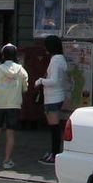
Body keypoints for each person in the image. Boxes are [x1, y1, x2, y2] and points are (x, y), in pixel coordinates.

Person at [0, 43, 28, 169]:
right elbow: (25, 88)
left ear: (3, 55)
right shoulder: (21, 70)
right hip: (14, 105)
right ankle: (7, 161)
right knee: (10, 134)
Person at [35, 35, 69, 165]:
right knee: (54, 127)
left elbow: (53, 80)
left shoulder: (55, 60)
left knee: (54, 127)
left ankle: (54, 154)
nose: (45, 48)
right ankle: (53, 153)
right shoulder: (61, 59)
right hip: (57, 96)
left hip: (52, 97)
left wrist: (40, 81)